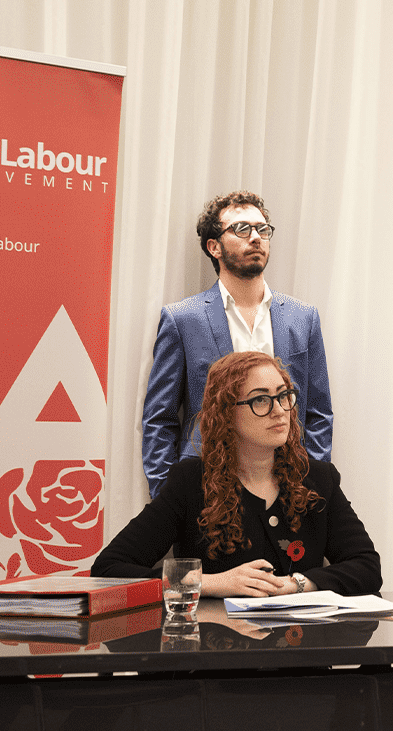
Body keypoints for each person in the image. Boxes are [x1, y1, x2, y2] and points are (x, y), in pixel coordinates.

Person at [95, 350, 382, 731]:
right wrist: (212, 581)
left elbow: (366, 567)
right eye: (261, 399)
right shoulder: (191, 481)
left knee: (279, 721)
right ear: (226, 413)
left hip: (297, 670)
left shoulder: (316, 479)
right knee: (253, 730)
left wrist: (300, 581)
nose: (280, 410)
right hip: (212, 671)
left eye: (285, 395)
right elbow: (112, 567)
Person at [141, 189, 334, 499]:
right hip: (207, 487)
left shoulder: (303, 317)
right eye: (242, 229)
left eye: (262, 229)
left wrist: (310, 483)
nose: (255, 237)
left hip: (286, 486)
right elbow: (160, 419)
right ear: (214, 247)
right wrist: (167, 498)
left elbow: (318, 413)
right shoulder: (183, 319)